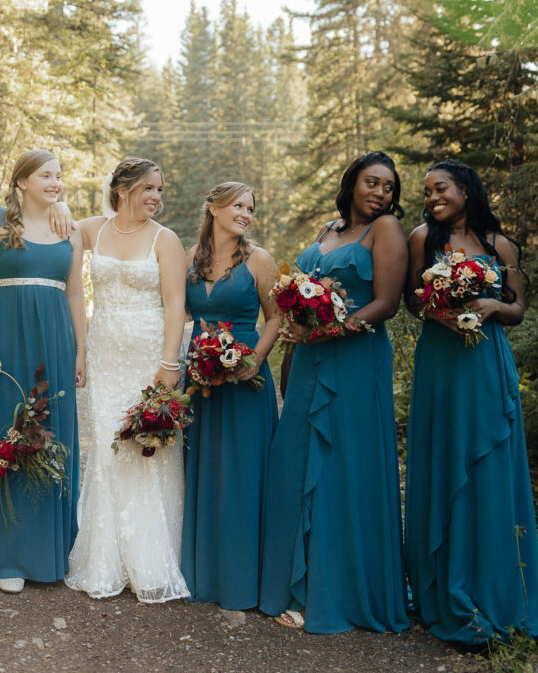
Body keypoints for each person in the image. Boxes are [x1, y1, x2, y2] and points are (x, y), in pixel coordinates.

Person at [259, 150, 409, 633]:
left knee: (344, 466)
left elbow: (386, 304)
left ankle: (336, 590)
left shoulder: (385, 231)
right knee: (296, 460)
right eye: (372, 182)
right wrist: (298, 333)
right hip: (307, 359)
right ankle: (292, 586)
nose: (381, 193)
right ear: (351, 184)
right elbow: (300, 289)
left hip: (355, 360)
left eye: (388, 186)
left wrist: (322, 332)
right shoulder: (328, 229)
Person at [405, 159, 538, 643]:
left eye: (439, 189)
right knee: (442, 458)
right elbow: (411, 299)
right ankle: (441, 587)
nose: (431, 198)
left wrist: (494, 305)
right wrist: (438, 312)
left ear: (465, 188)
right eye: (426, 192)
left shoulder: (499, 245)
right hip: (441, 362)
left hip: (485, 362)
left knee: (487, 468)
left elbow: (519, 309)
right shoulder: (422, 238)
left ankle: (494, 585)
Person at [65, 157, 189, 602]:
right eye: (148, 189)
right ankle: (105, 560)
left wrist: (169, 362)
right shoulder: (93, 229)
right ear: (122, 190)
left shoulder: (165, 239)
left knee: (144, 446)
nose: (156, 197)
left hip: (146, 352)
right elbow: (52, 224)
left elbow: (175, 305)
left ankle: (150, 560)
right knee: (105, 446)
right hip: (103, 352)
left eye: (159, 189)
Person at [0, 149, 85, 594]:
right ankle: (8, 555)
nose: (54, 183)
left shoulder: (69, 230)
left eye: (58, 176)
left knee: (51, 434)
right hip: (6, 335)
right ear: (21, 181)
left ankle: (50, 551)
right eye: (45, 176)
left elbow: (75, 294)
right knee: (6, 431)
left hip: (54, 339)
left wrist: (80, 349)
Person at [182, 182, 279, 609]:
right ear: (214, 208)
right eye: (238, 205)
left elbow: (275, 318)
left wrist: (254, 359)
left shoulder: (259, 260)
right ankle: (202, 575)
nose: (246, 213)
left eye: (250, 208)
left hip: (245, 377)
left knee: (242, 473)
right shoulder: (190, 259)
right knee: (202, 468)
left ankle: (243, 580)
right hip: (198, 376)